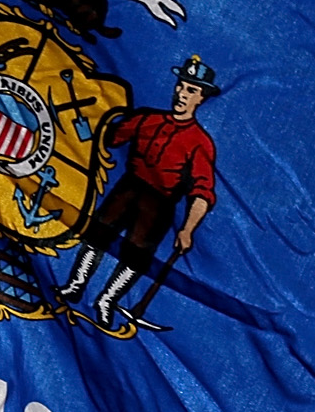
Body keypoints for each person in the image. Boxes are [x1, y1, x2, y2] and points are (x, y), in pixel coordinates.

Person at [59, 54, 222, 328]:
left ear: (201, 98)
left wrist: (187, 230)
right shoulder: (148, 118)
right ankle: (75, 284)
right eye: (181, 86)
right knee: (97, 236)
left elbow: (202, 192)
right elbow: (110, 137)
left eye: (191, 90)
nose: (182, 94)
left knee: (136, 257)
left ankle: (107, 301)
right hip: (128, 188)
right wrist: (90, 128)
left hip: (159, 205)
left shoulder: (200, 142)